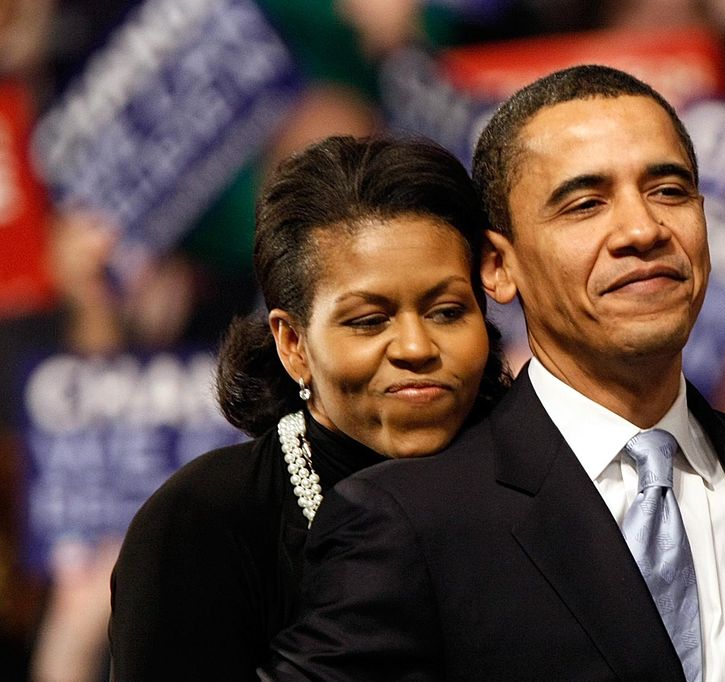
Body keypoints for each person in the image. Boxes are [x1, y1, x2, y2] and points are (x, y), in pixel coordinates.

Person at [263, 65, 725, 681]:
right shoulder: (411, 521)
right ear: (498, 266)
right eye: (585, 203)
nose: (642, 229)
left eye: (669, 190)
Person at [107, 135, 510, 680]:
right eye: (369, 320)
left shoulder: (547, 474)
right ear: (293, 343)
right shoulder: (202, 522)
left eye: (446, 311)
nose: (416, 347)